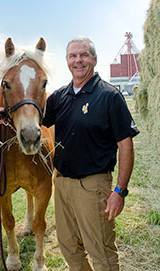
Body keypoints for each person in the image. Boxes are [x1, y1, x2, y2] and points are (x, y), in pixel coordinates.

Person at [42, 36, 139, 271]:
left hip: (93, 186)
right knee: (68, 246)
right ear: (67, 61)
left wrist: (119, 191)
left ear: (94, 59)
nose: (78, 60)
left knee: (101, 252)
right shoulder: (59, 97)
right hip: (62, 184)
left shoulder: (109, 96)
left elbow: (126, 145)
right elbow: (36, 119)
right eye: (73, 56)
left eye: (84, 55)